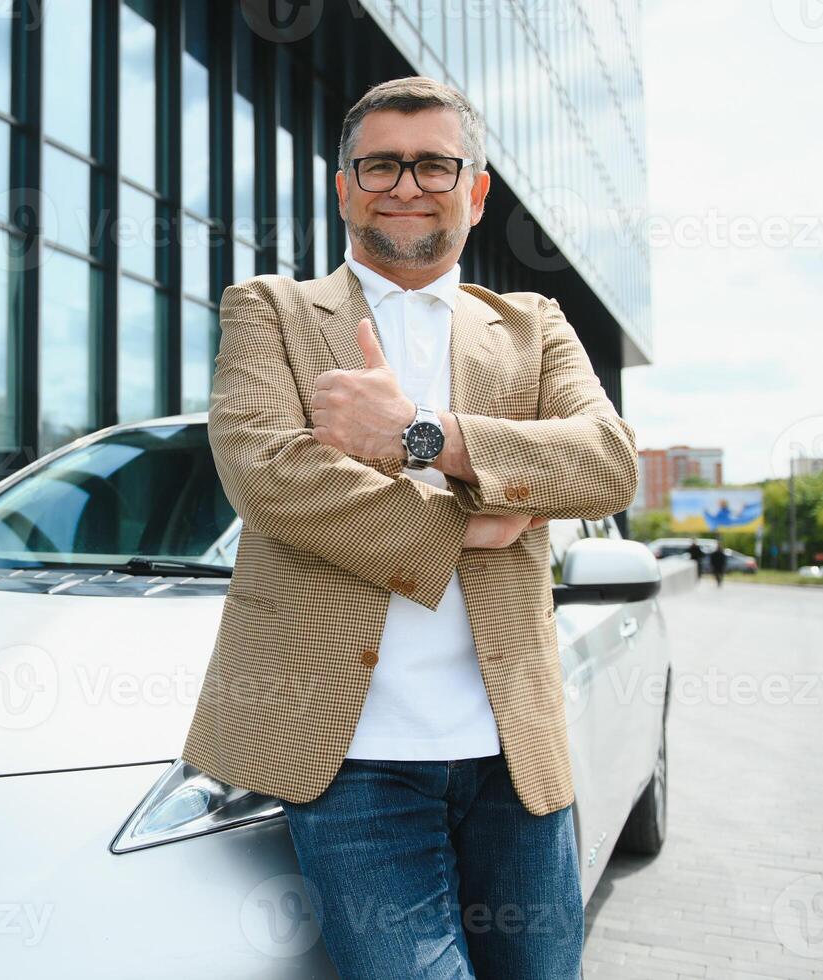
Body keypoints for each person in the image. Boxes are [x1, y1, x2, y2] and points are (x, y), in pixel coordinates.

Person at [180, 76, 639, 979]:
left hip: (514, 755)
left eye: (433, 163)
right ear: (343, 185)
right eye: (379, 164)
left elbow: (606, 461)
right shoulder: (268, 310)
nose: (404, 184)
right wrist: (470, 522)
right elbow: (268, 477)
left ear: (474, 191)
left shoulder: (533, 326)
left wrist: (421, 439)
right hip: (350, 763)